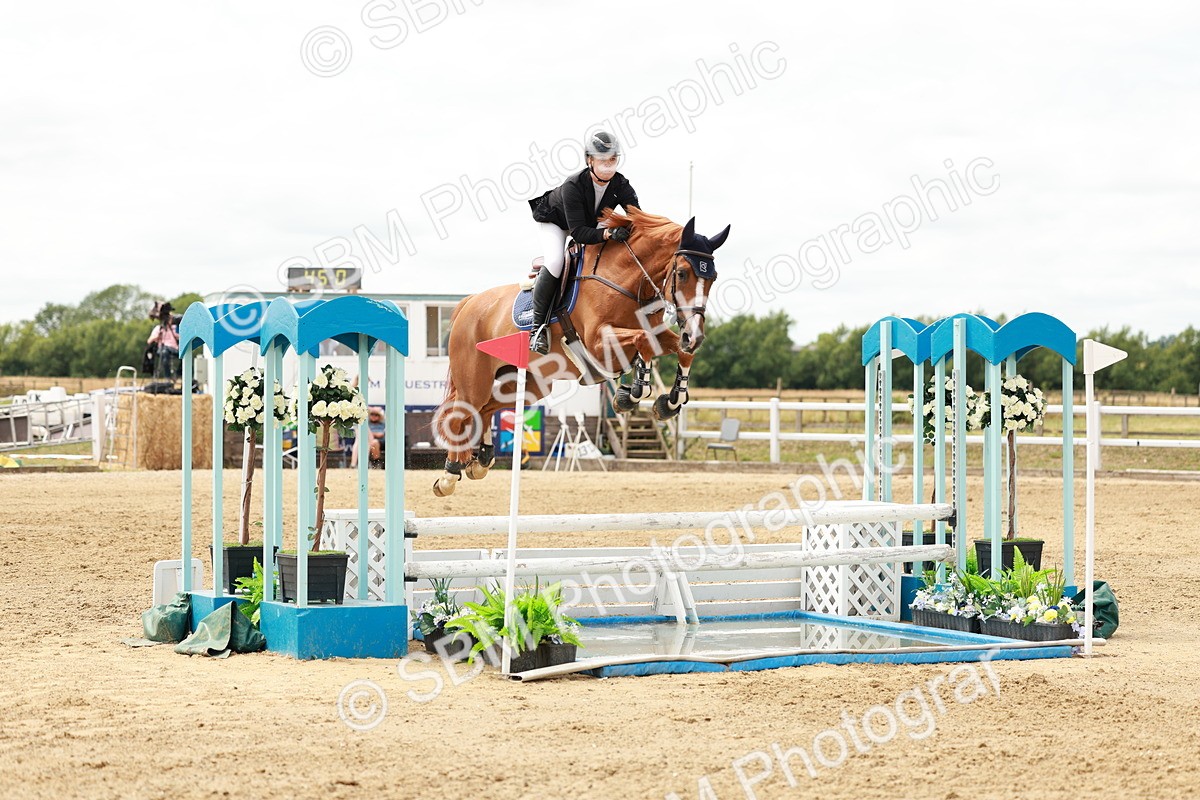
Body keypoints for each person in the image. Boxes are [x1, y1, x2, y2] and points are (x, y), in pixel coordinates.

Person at [525, 131, 640, 354]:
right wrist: (607, 235)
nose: (608, 165)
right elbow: (578, 233)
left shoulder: (620, 184)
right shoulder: (573, 185)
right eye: (603, 160)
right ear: (590, 160)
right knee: (557, 261)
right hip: (557, 222)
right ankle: (537, 329)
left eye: (613, 160)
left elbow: (636, 215)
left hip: (589, 221)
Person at [147, 302, 180, 381]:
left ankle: (178, 375)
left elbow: (180, 337)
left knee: (185, 354)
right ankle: (167, 378)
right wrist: (157, 336)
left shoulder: (174, 327)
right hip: (162, 349)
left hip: (174, 349)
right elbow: (149, 341)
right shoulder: (158, 328)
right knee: (164, 351)